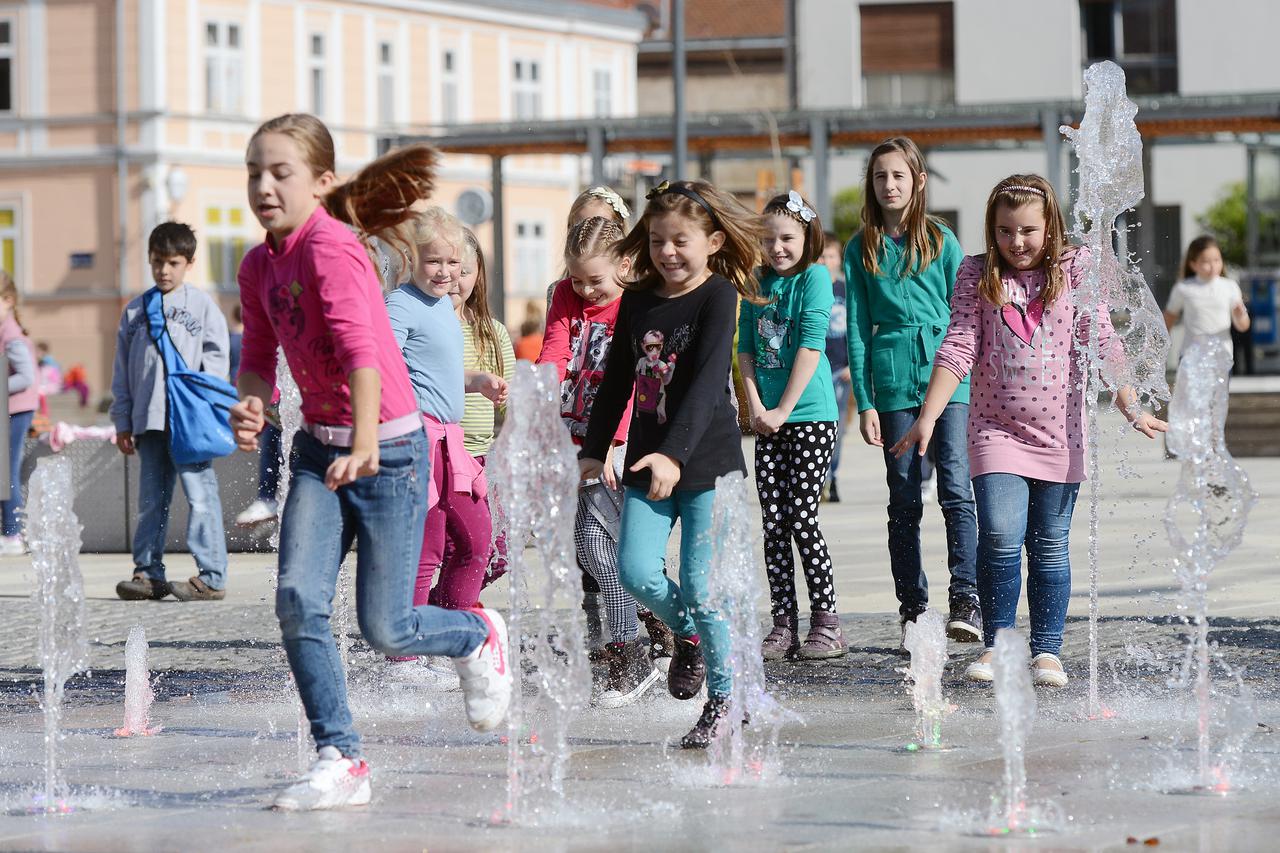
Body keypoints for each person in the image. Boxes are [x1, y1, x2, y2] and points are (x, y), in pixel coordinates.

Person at [231, 113, 510, 810]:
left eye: (280, 172)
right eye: (254, 172)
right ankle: (341, 757)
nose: (264, 186)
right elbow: (259, 357)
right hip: (318, 449)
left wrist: (361, 441)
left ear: (322, 184)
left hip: (387, 447)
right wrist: (252, 403)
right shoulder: (258, 263)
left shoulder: (334, 252)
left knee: (386, 625)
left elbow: (361, 353)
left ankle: (478, 632)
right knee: (298, 597)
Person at [889, 174, 1166, 688]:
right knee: (998, 535)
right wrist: (927, 416)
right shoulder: (976, 273)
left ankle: (1046, 651)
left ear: (1051, 227)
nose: (1016, 243)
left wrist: (1131, 406)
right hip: (995, 430)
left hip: (1061, 435)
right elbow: (959, 346)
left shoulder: (1075, 269)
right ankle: (996, 643)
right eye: (1004, 230)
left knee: (1050, 545)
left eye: (1028, 231)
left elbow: (1101, 338)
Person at [580, 179, 764, 748]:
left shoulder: (719, 297)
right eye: (658, 240)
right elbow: (616, 381)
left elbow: (710, 383)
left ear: (711, 242)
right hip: (645, 460)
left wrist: (674, 455)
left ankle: (727, 702)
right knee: (635, 572)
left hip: (706, 462)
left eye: (680, 241)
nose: (667, 252)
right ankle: (687, 634)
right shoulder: (636, 300)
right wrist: (593, 447)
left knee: (704, 586)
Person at [843, 137, 981, 645]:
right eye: (881, 177)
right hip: (893, 381)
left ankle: (966, 595)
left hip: (949, 381)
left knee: (956, 488)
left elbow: (966, 316)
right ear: (871, 185)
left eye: (899, 176)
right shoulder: (861, 248)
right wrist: (866, 401)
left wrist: (975, 381)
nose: (890, 185)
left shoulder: (943, 241)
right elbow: (857, 328)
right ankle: (914, 608)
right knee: (902, 496)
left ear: (917, 181)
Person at [538, 215, 673, 707]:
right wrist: (536, 403)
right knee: (601, 547)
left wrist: (615, 444)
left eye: (595, 280)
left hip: (619, 443)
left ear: (625, 265)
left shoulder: (636, 307)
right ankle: (663, 630)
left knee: (602, 546)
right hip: (573, 440)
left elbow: (636, 381)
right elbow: (553, 353)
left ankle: (634, 648)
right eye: (577, 279)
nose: (585, 289)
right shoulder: (565, 295)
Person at [387, 207, 507, 622]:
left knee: (477, 543)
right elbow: (381, 364)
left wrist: (476, 381)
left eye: (452, 262)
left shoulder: (439, 305)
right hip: (422, 442)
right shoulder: (402, 304)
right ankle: (405, 651)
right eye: (433, 261)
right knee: (428, 548)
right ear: (409, 259)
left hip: (449, 442)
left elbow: (437, 370)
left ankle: (445, 631)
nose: (444, 272)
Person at [738, 192, 844, 661]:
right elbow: (744, 350)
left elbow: (811, 346)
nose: (778, 247)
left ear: (807, 238)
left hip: (810, 416)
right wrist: (756, 406)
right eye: (769, 239)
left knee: (802, 518)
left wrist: (781, 409)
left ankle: (827, 622)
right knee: (774, 524)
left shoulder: (814, 277)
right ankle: (784, 621)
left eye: (787, 238)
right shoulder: (756, 283)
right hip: (767, 420)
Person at [109, 222, 231, 601]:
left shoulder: (203, 306)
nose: (164, 270)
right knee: (150, 501)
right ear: (149, 260)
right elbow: (122, 372)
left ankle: (211, 575)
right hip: (149, 421)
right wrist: (123, 420)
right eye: (158, 262)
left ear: (189, 263)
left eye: (173, 263)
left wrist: (203, 399)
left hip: (189, 422)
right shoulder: (135, 311)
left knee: (200, 497)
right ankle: (148, 572)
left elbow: (217, 358)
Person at [455, 227, 515, 595]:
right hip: (442, 456)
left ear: (478, 274)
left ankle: (446, 604)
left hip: (483, 460)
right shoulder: (423, 327)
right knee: (455, 547)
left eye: (464, 271)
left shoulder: (491, 331)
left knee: (500, 552)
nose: (454, 279)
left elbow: (510, 400)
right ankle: (452, 609)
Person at [1163, 235, 1250, 362]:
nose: (1213, 265)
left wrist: (1240, 316)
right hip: (1191, 357)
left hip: (1222, 357)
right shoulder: (1183, 288)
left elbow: (1243, 326)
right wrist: (1159, 348)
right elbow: (1169, 318)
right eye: (1205, 262)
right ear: (1193, 264)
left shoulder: (1230, 286)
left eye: (1216, 260)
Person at [0, 274, 38, 556]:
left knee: (7, 471)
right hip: (11, 408)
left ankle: (12, 534)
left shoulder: (11, 335)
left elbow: (26, 376)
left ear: (8, 301)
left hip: (17, 410)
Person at [820, 230, 852, 504]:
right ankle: (818, 479)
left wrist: (853, 365)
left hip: (841, 369)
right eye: (822, 255)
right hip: (816, 370)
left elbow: (858, 329)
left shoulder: (845, 290)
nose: (826, 260)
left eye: (831, 255)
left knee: (837, 428)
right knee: (819, 427)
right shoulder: (810, 289)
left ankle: (833, 478)